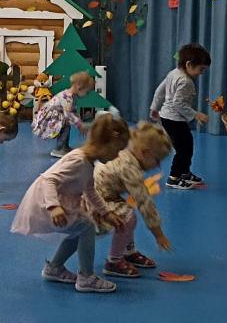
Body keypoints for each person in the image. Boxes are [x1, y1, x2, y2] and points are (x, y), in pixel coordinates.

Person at [11, 114, 129, 293]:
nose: (117, 155)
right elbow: (49, 180)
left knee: (79, 230)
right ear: (105, 144)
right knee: (86, 227)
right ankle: (86, 277)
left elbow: (89, 190)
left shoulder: (88, 162)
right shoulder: (78, 160)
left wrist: (106, 213)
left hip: (58, 201)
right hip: (46, 203)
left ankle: (54, 268)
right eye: (117, 150)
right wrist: (54, 207)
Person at [89, 122, 174, 278]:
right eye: (157, 160)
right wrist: (158, 234)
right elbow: (145, 202)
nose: (158, 166)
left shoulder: (127, 151)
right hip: (95, 202)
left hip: (104, 195)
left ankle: (128, 252)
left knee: (127, 213)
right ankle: (113, 261)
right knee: (128, 217)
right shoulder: (129, 167)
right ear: (145, 153)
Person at [150, 43, 211, 189]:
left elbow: (159, 91)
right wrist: (196, 115)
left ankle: (184, 172)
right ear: (189, 64)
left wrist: (154, 107)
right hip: (174, 119)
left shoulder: (173, 73)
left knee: (186, 146)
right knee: (184, 149)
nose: (201, 73)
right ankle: (174, 177)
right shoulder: (186, 81)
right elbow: (178, 104)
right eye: (201, 69)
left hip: (167, 118)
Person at [31, 71, 92, 158]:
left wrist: (79, 121)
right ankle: (58, 149)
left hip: (58, 113)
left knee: (67, 125)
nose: (86, 94)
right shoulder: (67, 97)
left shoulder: (73, 96)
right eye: (87, 92)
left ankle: (64, 147)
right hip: (50, 115)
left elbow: (73, 110)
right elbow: (68, 114)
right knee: (65, 127)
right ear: (79, 86)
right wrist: (79, 124)